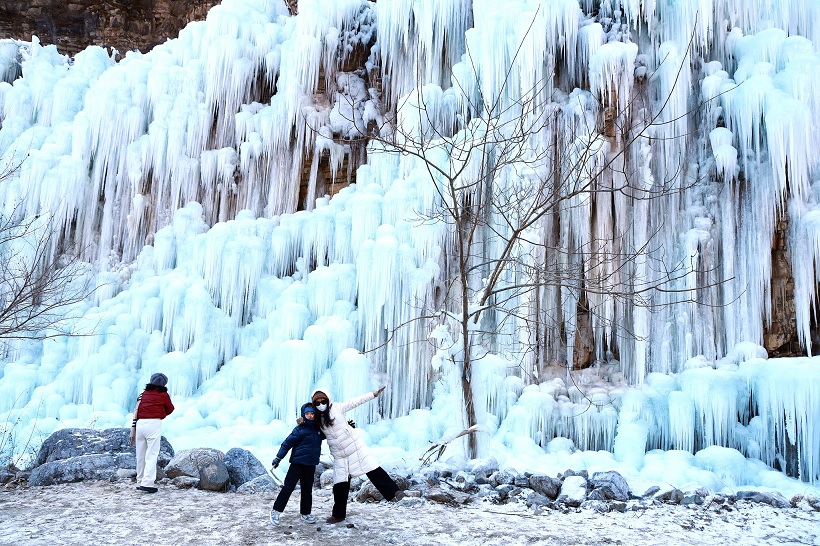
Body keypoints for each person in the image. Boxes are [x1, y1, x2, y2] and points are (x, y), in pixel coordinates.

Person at [311, 387, 406, 524]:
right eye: (317, 403)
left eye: (323, 401)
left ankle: (394, 493)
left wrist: (373, 394)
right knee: (340, 484)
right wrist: (302, 420)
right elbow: (308, 422)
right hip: (339, 455)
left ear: (328, 400)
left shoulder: (337, 408)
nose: (321, 404)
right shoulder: (317, 419)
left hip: (355, 447)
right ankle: (338, 515)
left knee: (373, 470)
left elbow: (355, 402)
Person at [269, 402, 324, 526]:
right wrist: (278, 458)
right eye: (307, 414)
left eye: (312, 413)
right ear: (303, 415)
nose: (310, 416)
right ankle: (276, 511)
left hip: (310, 464)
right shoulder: (299, 430)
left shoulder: (318, 430)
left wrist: (345, 426)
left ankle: (305, 513)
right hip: (297, 464)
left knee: (307, 489)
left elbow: (332, 433)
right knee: (288, 487)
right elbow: (286, 444)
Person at [130, 373, 175, 493]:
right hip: (153, 424)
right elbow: (170, 408)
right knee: (152, 454)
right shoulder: (163, 395)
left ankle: (140, 481)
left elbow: (138, 407)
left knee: (140, 455)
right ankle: (147, 483)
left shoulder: (143, 394)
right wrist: (161, 414)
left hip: (139, 425)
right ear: (164, 384)